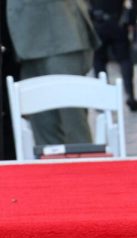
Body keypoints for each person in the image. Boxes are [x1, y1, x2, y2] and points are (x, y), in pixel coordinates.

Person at [5, 0, 100, 146]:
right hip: (28, 44)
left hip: (59, 37)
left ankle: (84, 167)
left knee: (73, 127)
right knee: (43, 128)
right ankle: (51, 168)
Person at [89, 0, 136, 110]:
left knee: (100, 61)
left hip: (104, 23)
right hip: (114, 23)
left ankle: (104, 98)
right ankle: (130, 95)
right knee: (123, 59)